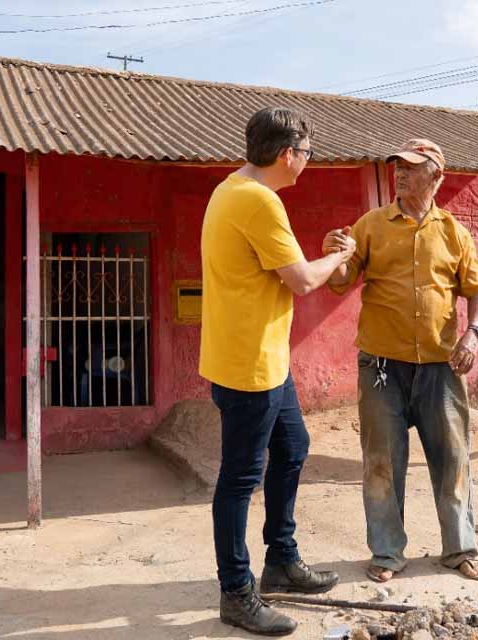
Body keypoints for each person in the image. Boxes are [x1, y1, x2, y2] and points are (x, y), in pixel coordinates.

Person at [199, 106, 353, 636]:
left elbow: (276, 270)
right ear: (287, 154)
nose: (307, 162)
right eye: (307, 153)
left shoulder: (229, 189)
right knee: (239, 480)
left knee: (293, 448)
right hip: (250, 365)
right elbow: (303, 282)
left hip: (261, 356)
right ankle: (236, 592)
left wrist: (322, 255)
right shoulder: (260, 202)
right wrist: (341, 256)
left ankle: (281, 560)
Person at [324, 139, 478, 583]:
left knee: (453, 459)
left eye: (412, 167)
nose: (399, 173)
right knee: (382, 459)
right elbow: (340, 282)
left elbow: (477, 291)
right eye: (397, 166)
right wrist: (334, 255)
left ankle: (459, 549)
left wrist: (473, 334)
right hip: (382, 367)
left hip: (441, 366)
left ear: (436, 175)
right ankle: (386, 553)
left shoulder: (454, 231)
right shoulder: (371, 225)